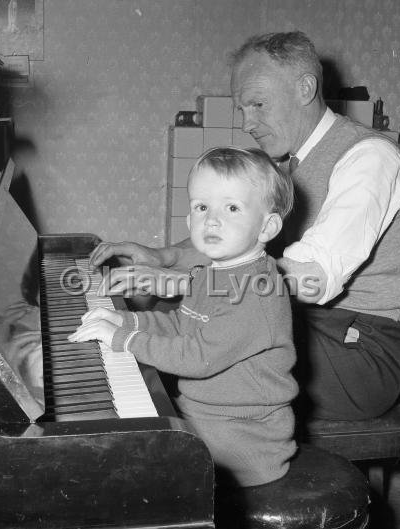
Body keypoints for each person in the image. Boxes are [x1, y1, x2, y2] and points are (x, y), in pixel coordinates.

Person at [89, 31, 400, 421]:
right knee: (184, 321)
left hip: (361, 354)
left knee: (198, 339)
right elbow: (244, 246)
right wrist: (164, 256)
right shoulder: (293, 163)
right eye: (242, 109)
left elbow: (311, 278)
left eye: (258, 104)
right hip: (319, 327)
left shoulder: (369, 158)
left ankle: (177, 456)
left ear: (305, 89)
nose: (248, 122)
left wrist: (180, 281)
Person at [69, 147, 297, 487]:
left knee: (124, 473)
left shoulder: (257, 290)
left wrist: (124, 340)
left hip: (243, 443)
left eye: (232, 207)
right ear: (189, 220)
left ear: (267, 226)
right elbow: (182, 325)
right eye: (201, 207)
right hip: (208, 419)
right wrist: (126, 321)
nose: (212, 220)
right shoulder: (211, 272)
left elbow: (197, 357)